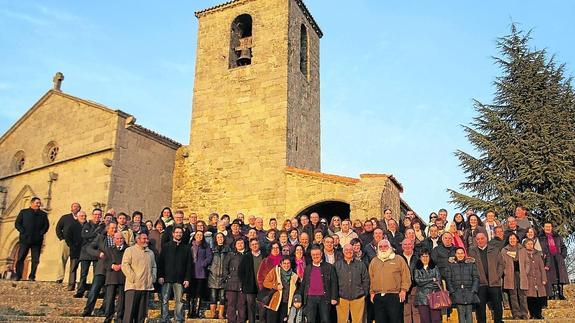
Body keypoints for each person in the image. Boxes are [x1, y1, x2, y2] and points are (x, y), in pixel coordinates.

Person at [369, 239, 411, 323]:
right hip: (378, 297)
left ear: (390, 247)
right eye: (380, 247)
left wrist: (403, 290)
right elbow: (371, 278)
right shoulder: (374, 261)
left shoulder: (398, 259)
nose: (383, 248)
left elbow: (406, 275)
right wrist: (372, 292)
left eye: (385, 246)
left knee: (395, 320)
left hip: (394, 296)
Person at [158, 226, 192, 323]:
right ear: (173, 234)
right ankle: (164, 318)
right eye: (176, 232)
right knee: (164, 300)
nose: (178, 234)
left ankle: (179, 319)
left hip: (179, 279)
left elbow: (189, 265)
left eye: (180, 232)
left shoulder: (186, 248)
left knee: (179, 301)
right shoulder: (166, 247)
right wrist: (160, 276)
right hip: (166, 278)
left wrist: (187, 279)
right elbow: (161, 262)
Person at [82, 221, 118, 317]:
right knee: (94, 290)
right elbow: (89, 248)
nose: (114, 230)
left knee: (108, 292)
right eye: (112, 228)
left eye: (115, 228)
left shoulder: (119, 239)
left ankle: (104, 310)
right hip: (101, 268)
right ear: (107, 229)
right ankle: (88, 310)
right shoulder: (101, 238)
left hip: (112, 270)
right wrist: (98, 254)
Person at [467, 233, 504, 323]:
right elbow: (470, 266)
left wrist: (497, 276)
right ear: (476, 240)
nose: (480, 241)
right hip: (480, 283)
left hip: (494, 282)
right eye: (478, 239)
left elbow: (501, 264)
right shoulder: (472, 251)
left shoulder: (495, 250)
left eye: (482, 238)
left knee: (497, 305)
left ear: (486, 239)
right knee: (480, 307)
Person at [122, 232, 157, 323]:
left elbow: (154, 266)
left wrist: (153, 277)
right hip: (133, 287)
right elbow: (125, 265)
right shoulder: (130, 250)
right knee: (129, 313)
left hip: (146, 287)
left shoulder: (150, 253)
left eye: (147, 239)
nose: (146, 240)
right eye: (144, 239)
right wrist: (133, 278)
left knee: (141, 315)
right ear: (138, 240)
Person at [14, 197, 49, 281]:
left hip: (37, 240)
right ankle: (18, 276)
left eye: (39, 203)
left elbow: (46, 225)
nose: (38, 204)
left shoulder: (43, 214)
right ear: (31, 203)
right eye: (37, 203)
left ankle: (32, 276)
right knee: (21, 258)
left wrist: (41, 233)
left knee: (35, 259)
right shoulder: (24, 212)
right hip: (25, 239)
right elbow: (17, 223)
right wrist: (22, 231)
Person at [300, 247, 338, 323]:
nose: (315, 256)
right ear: (311, 256)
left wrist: (334, 297)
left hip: (324, 298)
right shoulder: (307, 268)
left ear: (321, 254)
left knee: (325, 319)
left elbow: (334, 283)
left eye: (317, 254)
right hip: (310, 297)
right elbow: (304, 284)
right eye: (313, 255)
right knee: (311, 319)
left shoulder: (329, 267)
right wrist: (300, 297)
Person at [334, 243, 370, 323]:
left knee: (358, 321)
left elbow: (365, 280)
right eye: (346, 250)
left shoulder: (361, 264)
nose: (348, 251)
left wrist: (364, 293)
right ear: (343, 251)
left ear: (353, 251)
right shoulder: (337, 265)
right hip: (342, 298)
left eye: (350, 250)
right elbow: (334, 281)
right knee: (342, 321)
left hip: (358, 298)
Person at [75, 208, 105, 297]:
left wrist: (92, 236)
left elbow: (101, 237)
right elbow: (84, 235)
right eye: (95, 214)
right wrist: (96, 234)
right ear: (92, 215)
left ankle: (95, 291)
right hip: (85, 252)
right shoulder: (87, 225)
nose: (97, 216)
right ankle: (80, 291)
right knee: (83, 273)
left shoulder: (102, 226)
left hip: (96, 252)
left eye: (99, 214)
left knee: (97, 274)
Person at [445, 247, 480, 323]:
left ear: (464, 254)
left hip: (469, 292)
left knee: (469, 313)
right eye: (458, 253)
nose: (460, 255)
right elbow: (448, 279)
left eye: (462, 253)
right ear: (455, 254)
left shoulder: (471, 264)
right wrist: (453, 292)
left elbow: (476, 278)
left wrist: (473, 290)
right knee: (460, 314)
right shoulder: (451, 265)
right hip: (457, 292)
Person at [262, 255, 300, 323]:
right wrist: (276, 286)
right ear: (281, 264)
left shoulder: (294, 276)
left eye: (288, 263)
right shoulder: (275, 271)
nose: (286, 265)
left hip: (286, 304)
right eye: (284, 263)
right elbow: (265, 283)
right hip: (274, 303)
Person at [501, 232, 529, 319]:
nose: (512, 240)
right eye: (510, 239)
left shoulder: (522, 249)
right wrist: (505, 272)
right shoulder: (504, 250)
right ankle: (516, 314)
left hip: (521, 274)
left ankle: (524, 313)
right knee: (513, 295)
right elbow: (502, 264)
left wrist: (525, 272)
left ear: (517, 239)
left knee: (522, 295)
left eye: (514, 238)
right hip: (510, 275)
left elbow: (527, 262)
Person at [539, 222, 569, 300]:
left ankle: (560, 294)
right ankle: (551, 294)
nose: (548, 228)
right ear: (543, 228)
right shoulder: (540, 237)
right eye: (546, 226)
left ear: (552, 227)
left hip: (558, 258)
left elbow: (563, 247)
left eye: (549, 226)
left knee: (559, 275)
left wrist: (563, 255)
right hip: (547, 259)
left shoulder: (557, 236)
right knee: (550, 277)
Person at [103, 232, 127, 323]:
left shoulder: (127, 249)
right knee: (109, 299)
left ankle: (119, 317)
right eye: (117, 238)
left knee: (121, 300)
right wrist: (112, 266)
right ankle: (108, 317)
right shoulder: (109, 249)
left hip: (122, 277)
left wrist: (122, 266)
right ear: (114, 240)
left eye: (121, 238)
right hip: (111, 277)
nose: (119, 240)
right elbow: (105, 262)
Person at [239, 238, 264, 323]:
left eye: (256, 244)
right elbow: (240, 272)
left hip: (262, 286)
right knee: (250, 306)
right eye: (252, 244)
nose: (254, 246)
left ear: (259, 245)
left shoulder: (264, 255)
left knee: (262, 306)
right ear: (250, 246)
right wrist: (245, 282)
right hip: (250, 286)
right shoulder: (246, 256)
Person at [55, 202, 81, 283]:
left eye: (77, 207)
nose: (76, 208)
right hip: (65, 242)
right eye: (74, 206)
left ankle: (72, 280)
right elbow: (58, 227)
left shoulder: (81, 218)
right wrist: (61, 238)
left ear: (79, 209)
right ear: (71, 208)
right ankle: (60, 277)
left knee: (74, 262)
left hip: (76, 244)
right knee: (62, 259)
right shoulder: (65, 217)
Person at [413, 249, 442, 323]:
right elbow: (418, 281)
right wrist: (432, 279)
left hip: (434, 296)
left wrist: (425, 283)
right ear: (420, 258)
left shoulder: (435, 267)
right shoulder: (417, 269)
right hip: (422, 298)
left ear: (430, 257)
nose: (425, 258)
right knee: (425, 319)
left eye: (427, 256)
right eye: (423, 256)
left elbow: (438, 282)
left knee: (436, 319)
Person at [188, 230, 213, 318]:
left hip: (201, 272)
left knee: (199, 293)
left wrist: (203, 264)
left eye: (201, 235)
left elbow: (209, 257)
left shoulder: (205, 246)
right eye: (197, 235)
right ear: (194, 236)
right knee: (191, 293)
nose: (199, 236)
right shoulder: (190, 246)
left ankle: (197, 312)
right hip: (191, 272)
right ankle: (190, 311)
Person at [223, 238, 247, 323]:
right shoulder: (230, 255)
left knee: (242, 305)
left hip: (243, 284)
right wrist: (227, 277)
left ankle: (241, 321)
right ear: (235, 245)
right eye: (238, 243)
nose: (240, 244)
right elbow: (225, 267)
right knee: (231, 305)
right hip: (231, 283)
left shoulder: (247, 255)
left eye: (242, 243)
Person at [208, 232, 231, 319]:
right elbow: (209, 260)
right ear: (215, 239)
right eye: (218, 237)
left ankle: (221, 314)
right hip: (213, 276)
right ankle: (213, 313)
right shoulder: (212, 249)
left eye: (221, 237)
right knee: (213, 296)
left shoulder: (228, 249)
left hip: (224, 276)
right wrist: (210, 269)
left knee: (222, 296)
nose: (220, 239)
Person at [523, 238, 547, 319]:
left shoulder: (537, 254)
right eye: (528, 244)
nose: (530, 245)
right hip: (529, 279)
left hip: (538, 279)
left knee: (539, 297)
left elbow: (542, 267)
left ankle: (539, 314)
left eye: (531, 244)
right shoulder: (523, 254)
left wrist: (544, 279)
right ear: (525, 245)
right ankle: (532, 314)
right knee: (530, 297)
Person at [64, 210, 86, 291]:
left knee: (84, 270)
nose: (83, 217)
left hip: (85, 251)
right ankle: (71, 284)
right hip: (75, 250)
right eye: (82, 216)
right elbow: (68, 237)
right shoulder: (73, 226)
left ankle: (81, 286)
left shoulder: (87, 226)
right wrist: (72, 246)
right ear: (77, 217)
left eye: (84, 216)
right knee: (73, 268)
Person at [400, 238, 420, 323]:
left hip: (416, 287)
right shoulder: (398, 257)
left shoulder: (418, 257)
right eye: (405, 244)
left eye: (409, 244)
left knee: (416, 311)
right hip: (403, 288)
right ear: (402, 246)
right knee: (406, 311)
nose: (407, 246)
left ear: (413, 246)